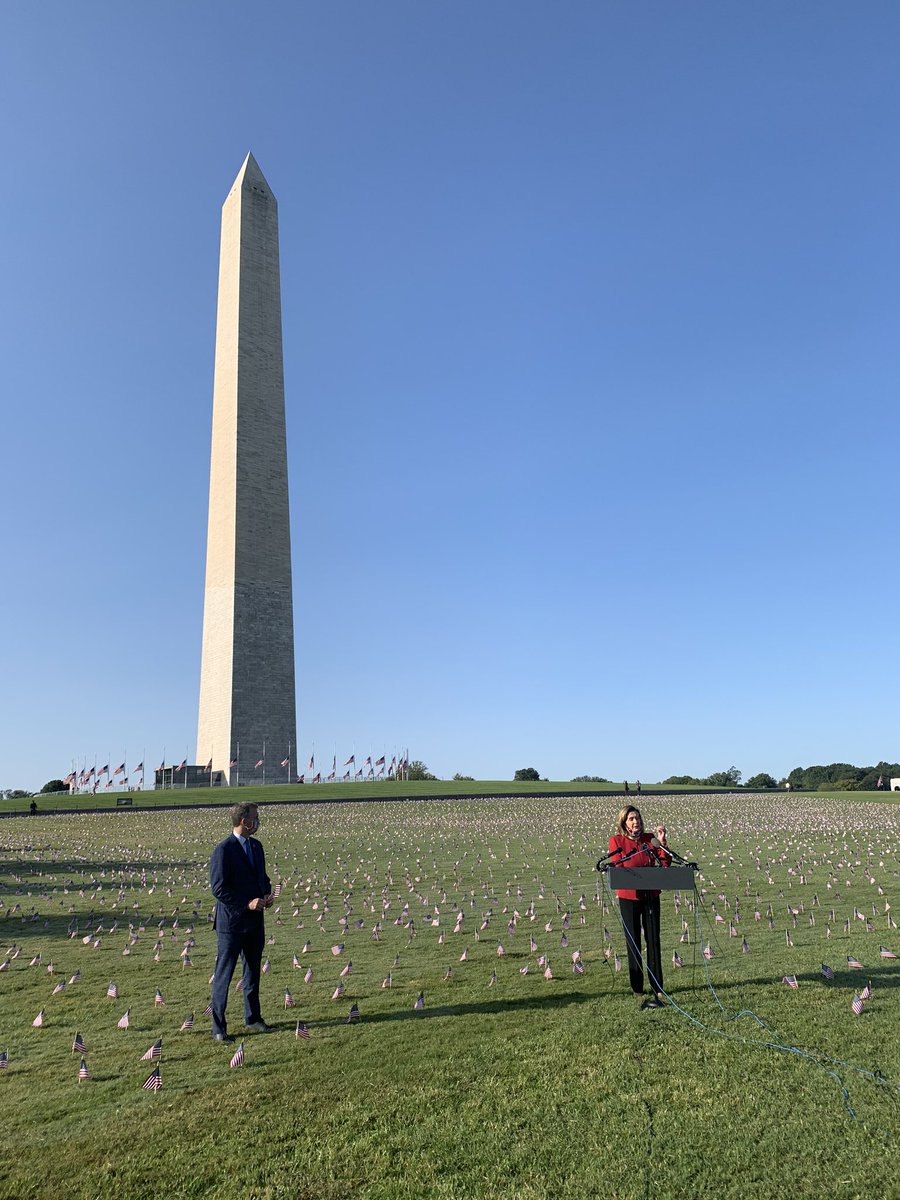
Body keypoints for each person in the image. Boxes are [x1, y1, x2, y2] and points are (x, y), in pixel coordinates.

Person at [209, 802, 273, 1041]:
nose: (258, 821)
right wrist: (246, 903)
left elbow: (262, 878)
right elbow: (219, 888)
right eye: (255, 818)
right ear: (244, 821)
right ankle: (218, 1028)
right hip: (232, 925)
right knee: (224, 975)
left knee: (253, 972)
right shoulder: (223, 850)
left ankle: (253, 1018)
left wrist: (266, 894)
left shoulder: (256, 847)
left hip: (255, 922)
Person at [608, 805, 670, 1008]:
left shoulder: (650, 839)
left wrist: (662, 843)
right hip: (629, 897)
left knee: (653, 940)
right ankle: (637, 988)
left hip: (650, 895)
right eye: (631, 818)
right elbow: (618, 867)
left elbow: (665, 864)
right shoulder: (617, 841)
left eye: (638, 818)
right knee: (633, 941)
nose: (636, 822)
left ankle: (657, 987)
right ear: (624, 822)